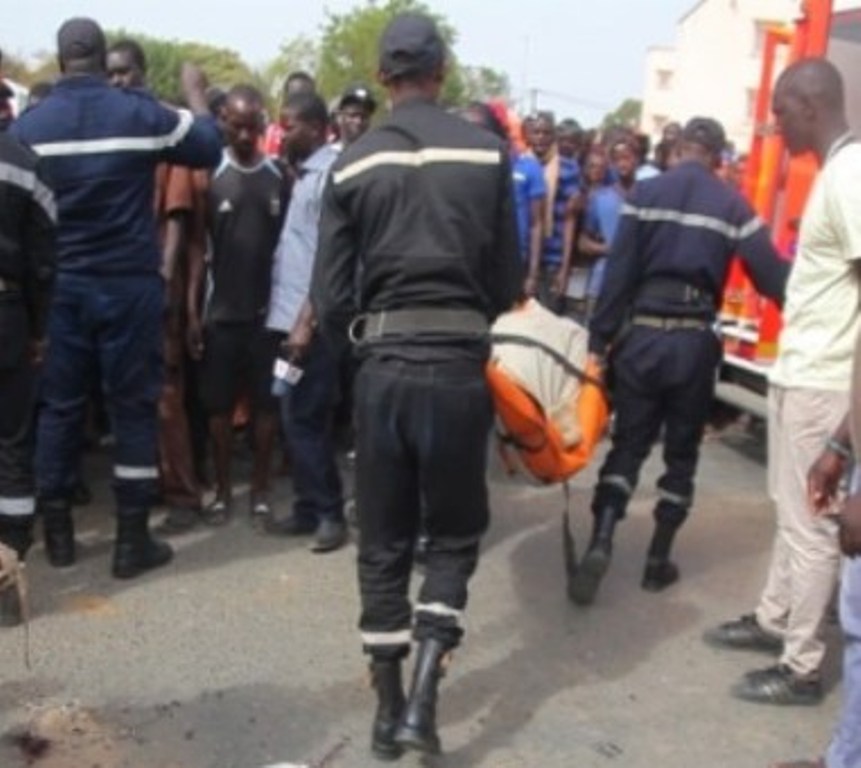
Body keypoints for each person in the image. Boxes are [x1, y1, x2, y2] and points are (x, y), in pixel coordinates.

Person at [311, 12, 521, 758]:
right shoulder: (491, 156)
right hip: (459, 369)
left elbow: (331, 298)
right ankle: (424, 704)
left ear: (381, 75)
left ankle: (386, 710)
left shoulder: (352, 162)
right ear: (442, 69)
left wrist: (370, 355)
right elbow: (508, 280)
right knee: (455, 537)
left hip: (383, 372)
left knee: (384, 543)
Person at [10, 17, 222, 579]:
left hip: (62, 291)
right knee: (132, 407)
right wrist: (197, 93)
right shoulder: (137, 113)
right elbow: (208, 146)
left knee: (60, 409)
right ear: (106, 62)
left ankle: (57, 536)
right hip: (127, 286)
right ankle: (131, 542)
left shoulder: (31, 127)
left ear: (60, 65)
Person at [567, 116, 788, 607]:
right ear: (718, 157)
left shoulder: (644, 195)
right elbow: (773, 279)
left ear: (678, 149)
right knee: (681, 455)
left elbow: (619, 272)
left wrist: (599, 344)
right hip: (693, 343)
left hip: (642, 336)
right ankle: (655, 562)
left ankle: (601, 540)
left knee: (628, 447)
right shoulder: (732, 204)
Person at [705, 58, 861, 706]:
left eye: (778, 111)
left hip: (824, 381)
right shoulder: (835, 172)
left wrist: (846, 429)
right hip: (802, 374)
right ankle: (775, 620)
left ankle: (800, 665)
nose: (773, 126)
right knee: (789, 515)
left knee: (810, 525)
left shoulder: (850, 175)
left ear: (807, 103)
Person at [107, 38, 204, 532]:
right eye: (111, 73)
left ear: (142, 72)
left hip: (155, 283)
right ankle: (143, 492)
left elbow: (178, 221)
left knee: (166, 397)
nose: (119, 81)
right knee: (132, 396)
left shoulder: (163, 125)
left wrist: (167, 291)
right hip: (118, 284)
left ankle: (184, 494)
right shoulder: (111, 125)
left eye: (126, 72)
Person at [185, 85, 287, 526]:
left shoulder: (280, 177)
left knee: (267, 410)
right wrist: (192, 312)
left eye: (253, 127)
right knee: (219, 410)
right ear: (223, 122)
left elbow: (289, 250)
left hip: (266, 319)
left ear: (263, 126)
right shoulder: (210, 176)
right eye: (237, 126)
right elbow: (194, 250)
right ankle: (225, 492)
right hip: (220, 316)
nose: (246, 135)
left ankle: (260, 491)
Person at [265, 91, 347, 553]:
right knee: (293, 417)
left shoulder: (326, 177)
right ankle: (306, 507)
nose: (282, 132)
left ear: (316, 128)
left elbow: (327, 258)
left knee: (306, 418)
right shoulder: (302, 175)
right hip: (289, 316)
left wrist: (304, 324)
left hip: (309, 324)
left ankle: (329, 514)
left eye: (290, 124)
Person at [0, 128, 55, 623]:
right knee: (12, 447)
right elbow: (43, 258)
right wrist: (39, 328)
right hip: (7, 316)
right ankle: (7, 571)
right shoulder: (22, 162)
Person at [527, 111, 580, 314]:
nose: (540, 137)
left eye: (546, 132)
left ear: (553, 137)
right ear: (529, 135)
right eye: (536, 132)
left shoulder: (568, 168)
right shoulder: (520, 164)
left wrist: (564, 269)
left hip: (552, 259)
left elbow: (570, 221)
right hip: (524, 259)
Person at [335, 83, 377, 149]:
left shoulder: (378, 155)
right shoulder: (327, 157)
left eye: (364, 116)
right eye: (353, 115)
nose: (358, 121)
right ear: (339, 117)